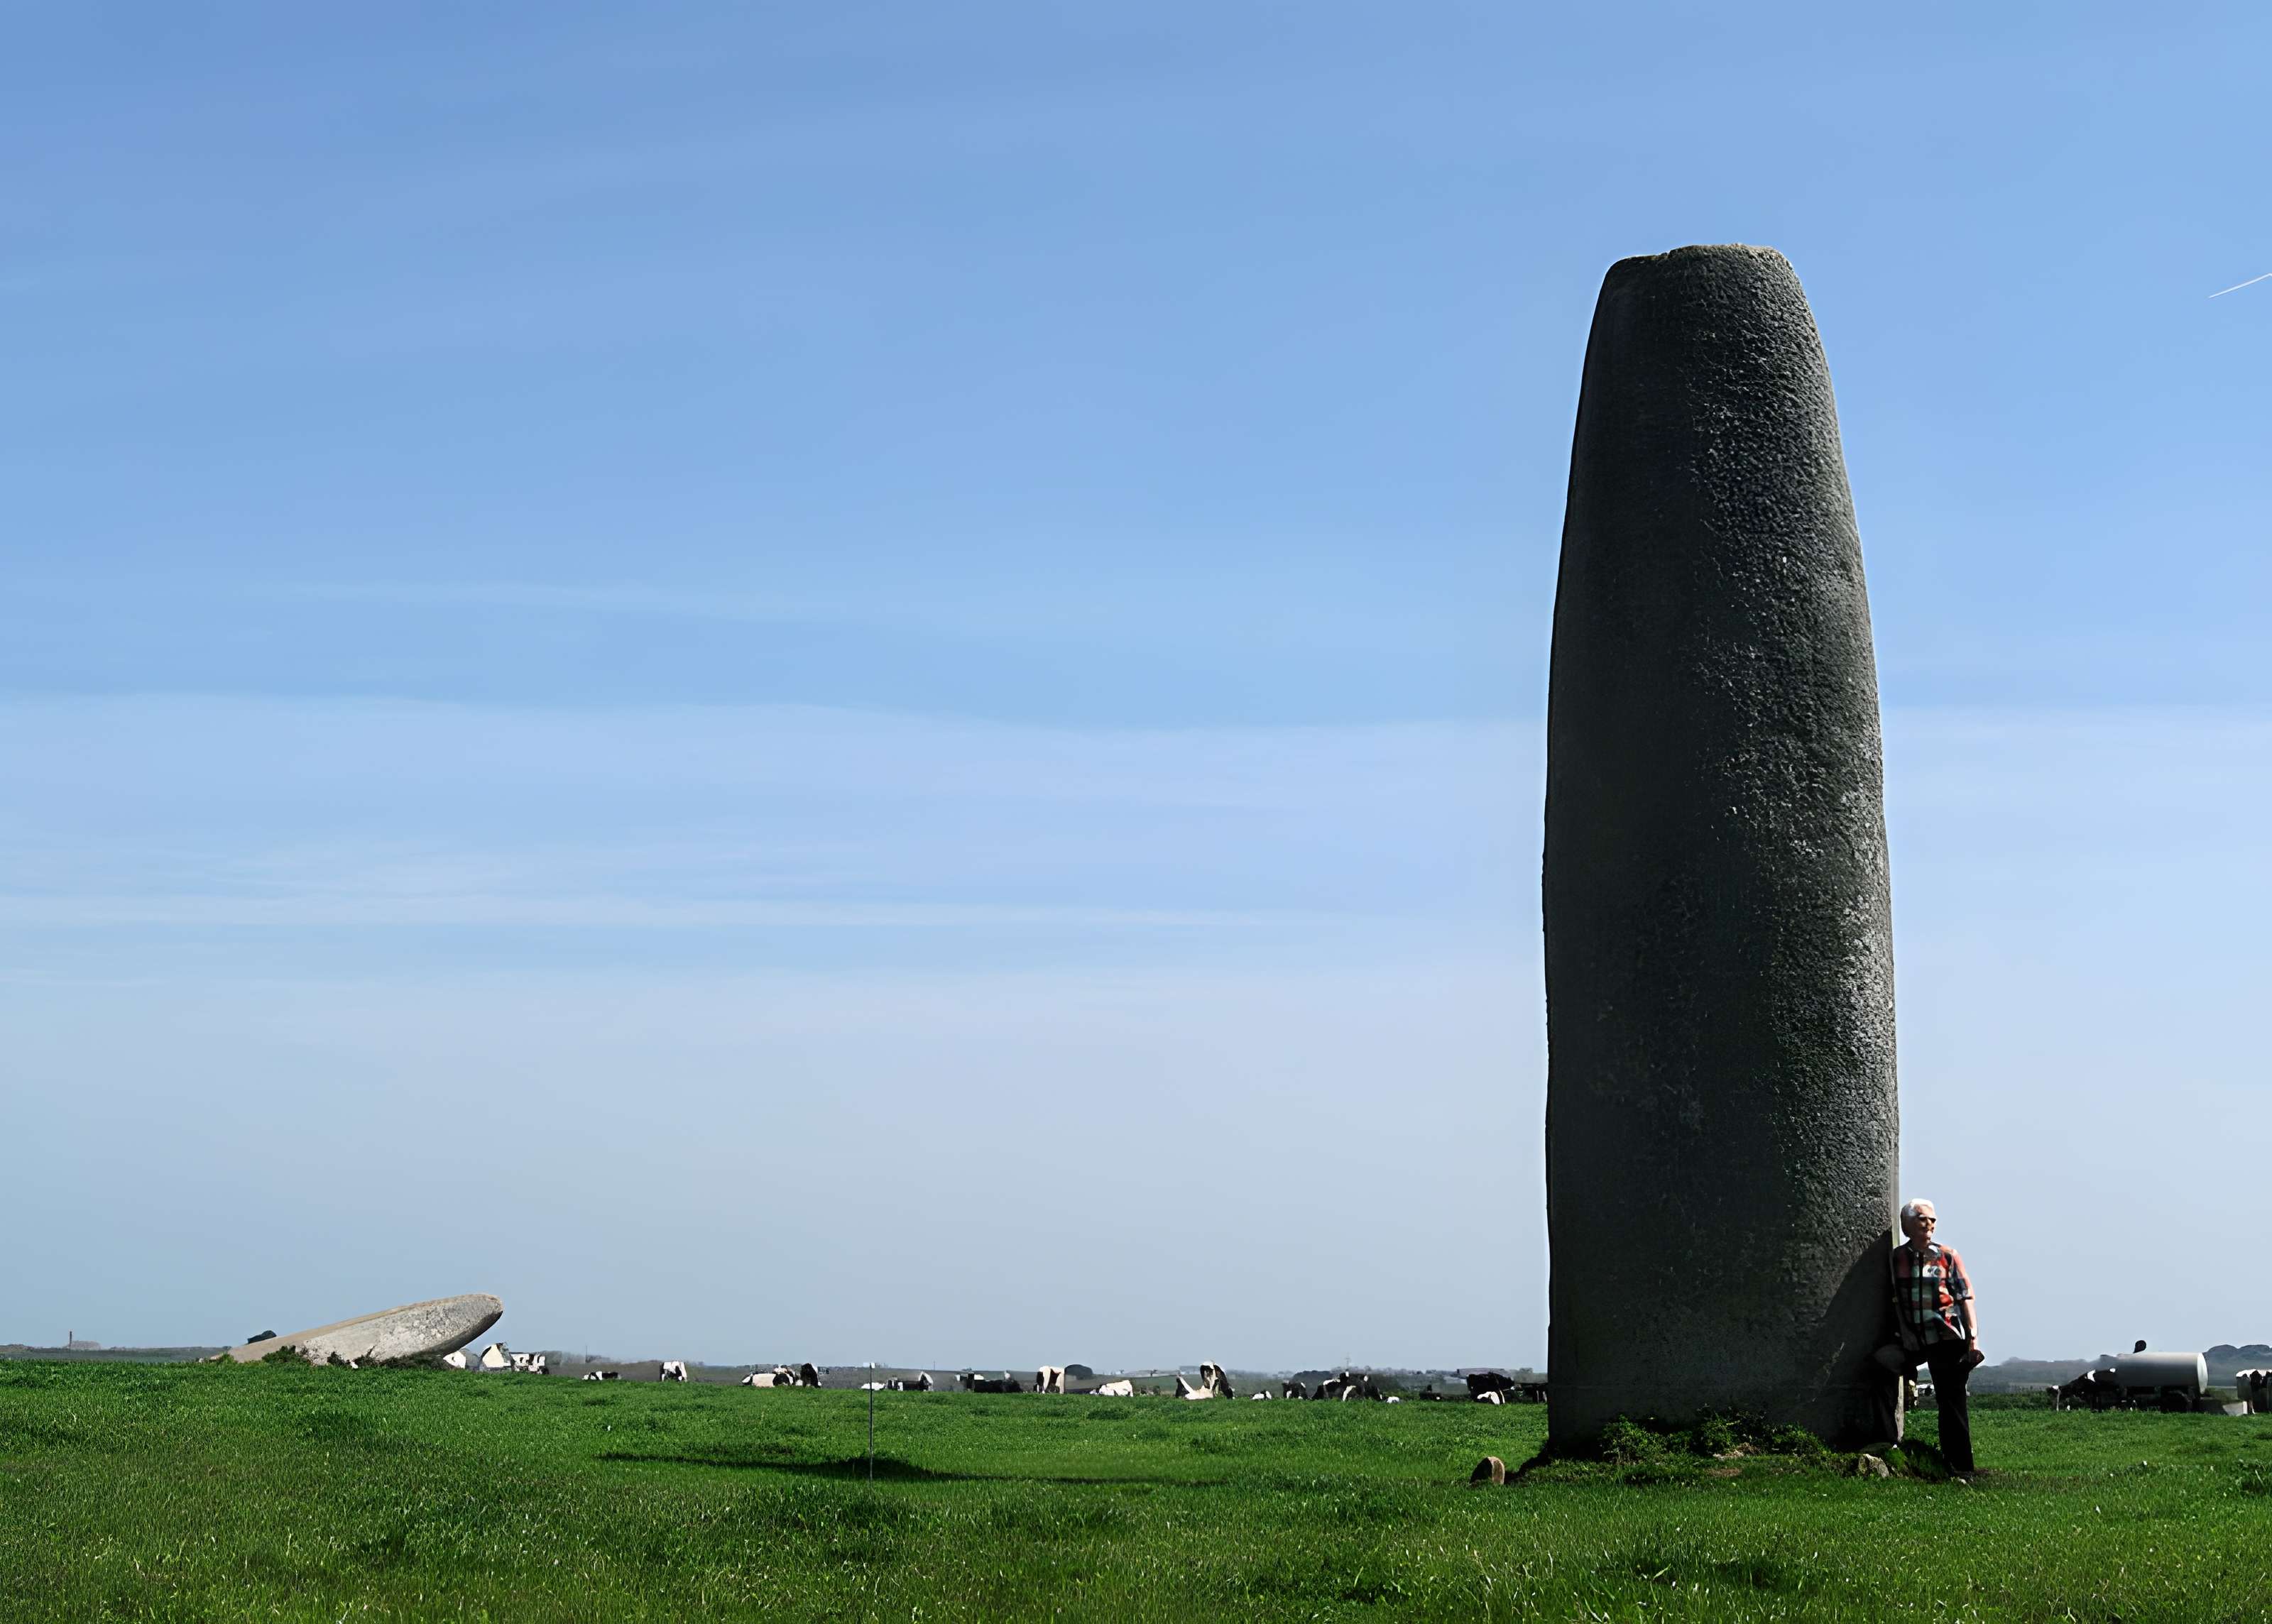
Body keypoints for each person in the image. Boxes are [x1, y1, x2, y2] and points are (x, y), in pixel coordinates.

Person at [1874, 1197, 1983, 1474]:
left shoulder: (1948, 1255)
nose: (1929, 1224)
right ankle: (1888, 1443)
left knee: (1951, 1400)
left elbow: (1965, 1297)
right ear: (1907, 1225)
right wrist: (1906, 1333)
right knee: (1880, 1365)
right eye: (1922, 1218)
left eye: (1933, 1219)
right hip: (1913, 1337)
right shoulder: (1897, 1257)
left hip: (1946, 1336)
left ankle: (1960, 1467)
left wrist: (1973, 1339)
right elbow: (1896, 1298)